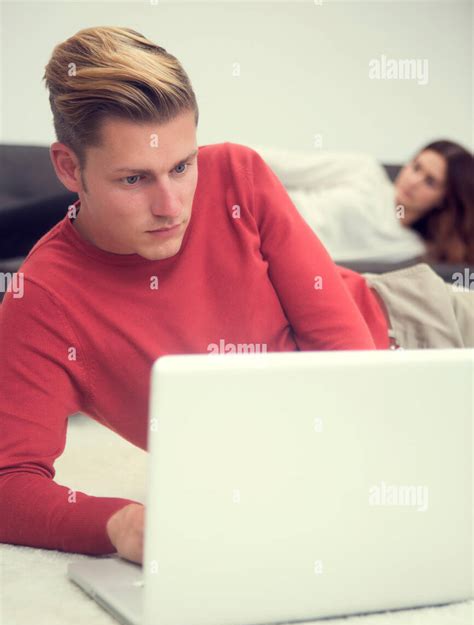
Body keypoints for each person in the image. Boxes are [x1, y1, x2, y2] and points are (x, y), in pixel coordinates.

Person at [0, 26, 472, 568]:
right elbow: (10, 483)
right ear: (68, 168)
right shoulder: (41, 301)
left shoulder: (236, 174)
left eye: (182, 166)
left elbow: (348, 361)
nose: (171, 205)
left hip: (415, 325)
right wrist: (119, 522)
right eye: (134, 180)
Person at [249, 140, 474, 266]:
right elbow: (286, 166)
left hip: (271, 259)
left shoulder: (411, 249)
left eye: (430, 182)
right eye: (416, 166)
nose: (413, 181)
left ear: (443, 201)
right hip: (256, 216)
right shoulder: (366, 172)